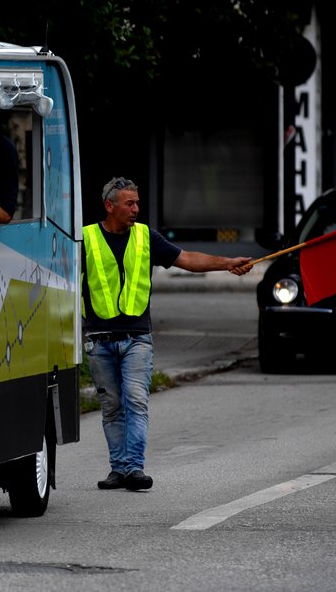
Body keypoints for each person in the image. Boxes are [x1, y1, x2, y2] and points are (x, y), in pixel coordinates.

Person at [82, 176, 251, 491]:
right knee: (112, 407)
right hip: (99, 339)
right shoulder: (86, 238)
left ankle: (134, 468)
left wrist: (227, 263)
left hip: (137, 339)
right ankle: (118, 469)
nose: (136, 209)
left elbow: (187, 259)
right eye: (129, 203)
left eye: (137, 203)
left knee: (136, 401)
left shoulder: (146, 236)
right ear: (109, 206)